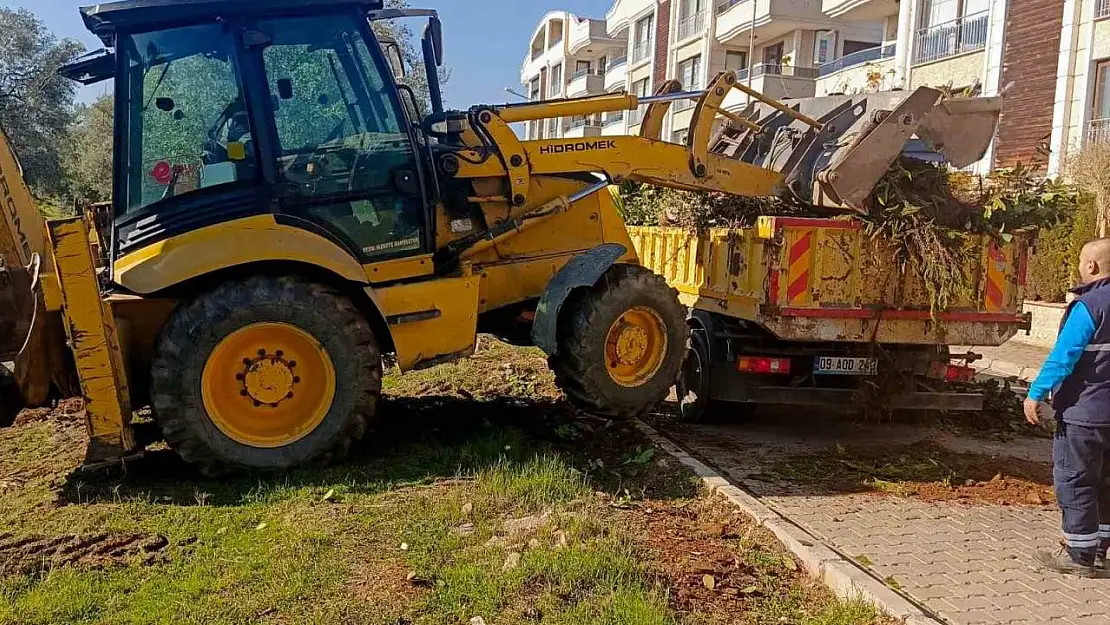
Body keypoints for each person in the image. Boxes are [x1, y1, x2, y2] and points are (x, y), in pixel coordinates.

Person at [1025, 237, 1110, 578]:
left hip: (1083, 414)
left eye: (1079, 261)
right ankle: (1099, 550)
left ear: (1091, 266)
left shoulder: (1090, 306)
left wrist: (1035, 393)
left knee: (1076, 481)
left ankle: (1078, 554)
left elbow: (1064, 356)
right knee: (1107, 483)